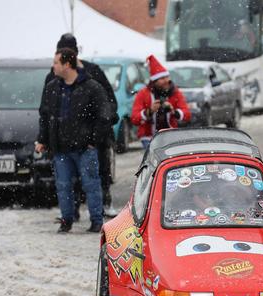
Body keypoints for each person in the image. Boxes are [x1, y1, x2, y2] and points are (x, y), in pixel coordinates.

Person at [36, 48, 114, 233]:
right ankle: (67, 220)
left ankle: (96, 220)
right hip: (60, 147)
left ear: (67, 64)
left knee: (90, 184)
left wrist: (93, 140)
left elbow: (104, 115)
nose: (53, 66)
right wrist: (43, 139)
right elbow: (46, 116)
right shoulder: (53, 88)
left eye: (56, 62)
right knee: (63, 185)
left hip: (84, 147)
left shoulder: (91, 87)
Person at [131, 55, 191, 150]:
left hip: (171, 136)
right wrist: (150, 111)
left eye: (167, 77)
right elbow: (134, 119)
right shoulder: (143, 94)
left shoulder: (175, 92)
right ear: (154, 81)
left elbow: (187, 115)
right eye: (162, 78)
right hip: (149, 138)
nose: (166, 80)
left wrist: (173, 112)